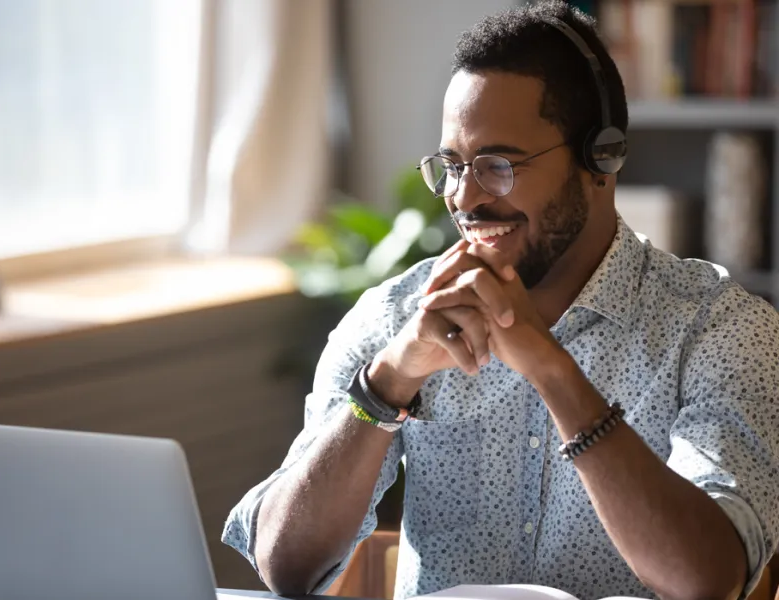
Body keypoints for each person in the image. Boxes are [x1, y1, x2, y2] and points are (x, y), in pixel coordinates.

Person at [222, 2, 779, 599]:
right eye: (453, 166)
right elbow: (284, 567)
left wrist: (551, 370)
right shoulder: (395, 318)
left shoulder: (720, 329)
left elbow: (709, 581)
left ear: (602, 158)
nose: (465, 198)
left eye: (498, 165)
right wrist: (386, 384)